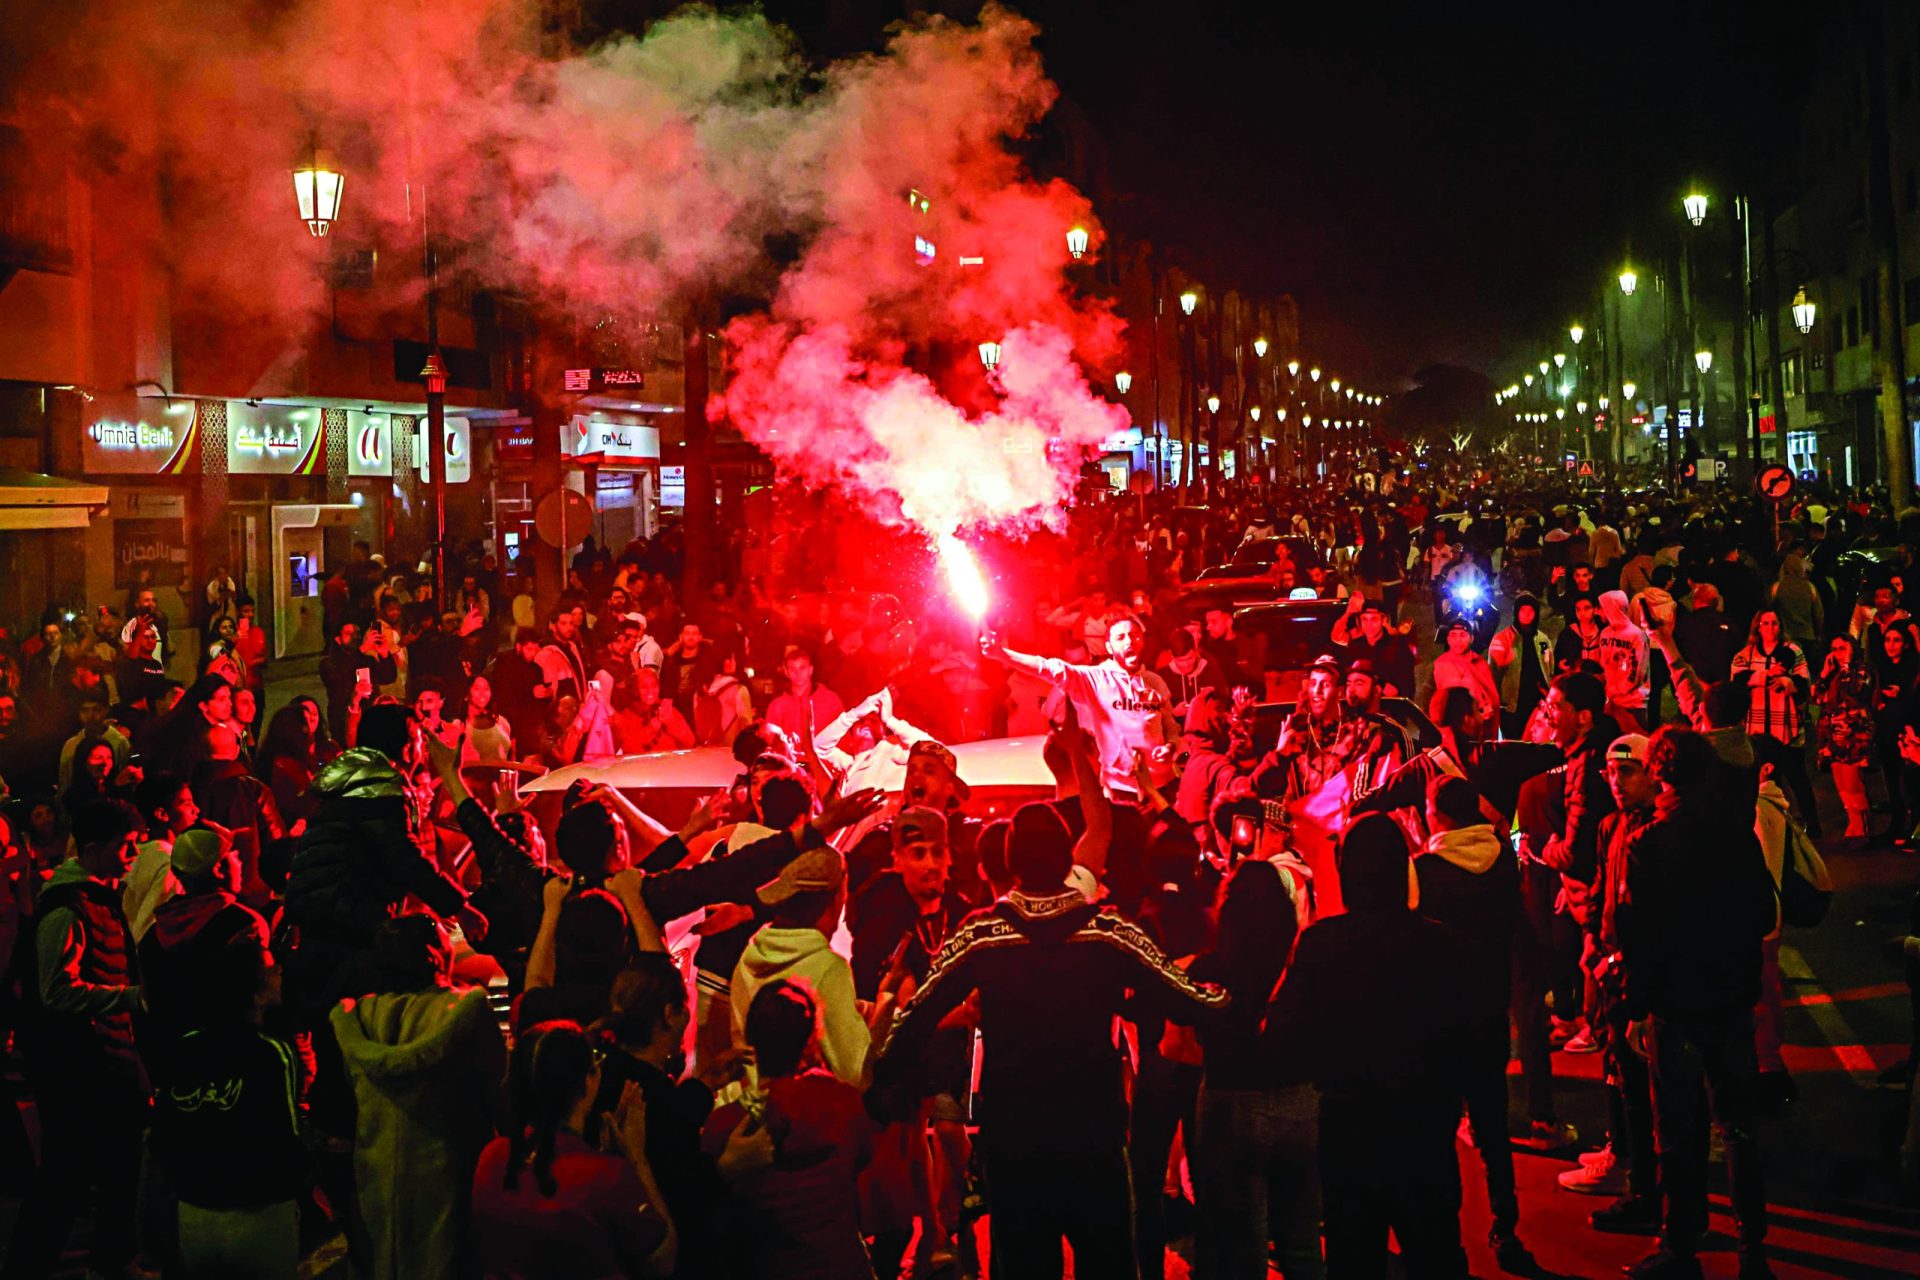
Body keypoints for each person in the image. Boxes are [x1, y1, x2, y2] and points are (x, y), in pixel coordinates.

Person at [873, 785, 1225, 1279]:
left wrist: (879, 1077)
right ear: (1066, 860)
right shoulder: (1108, 933)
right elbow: (1187, 997)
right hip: (1093, 1135)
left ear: (1012, 860)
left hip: (1015, 1139)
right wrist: (1238, 990)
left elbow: (916, 1017)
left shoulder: (982, 935)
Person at [1260, 814, 1472, 1280]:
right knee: (1435, 1252)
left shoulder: (1322, 944)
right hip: (1425, 1129)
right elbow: (1468, 1040)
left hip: (1349, 1128)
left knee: (1355, 1258)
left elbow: (1284, 1038)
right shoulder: (1443, 943)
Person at [1615, 727, 1778, 1280]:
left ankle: (1680, 1245)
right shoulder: (1738, 836)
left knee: (1679, 1131)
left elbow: (1638, 935)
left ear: (1661, 775)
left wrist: (1638, 1006)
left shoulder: (1652, 843)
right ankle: (1753, 1249)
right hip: (1729, 998)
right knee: (1738, 1127)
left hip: (1676, 1004)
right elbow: (1762, 915)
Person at [5, 799, 148, 1280]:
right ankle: (28, 1264)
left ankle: (111, 1262)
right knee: (68, 1173)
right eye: (124, 846)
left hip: (106, 1058)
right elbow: (56, 991)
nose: (132, 854)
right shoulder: (65, 909)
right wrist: (128, 998)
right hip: (77, 1067)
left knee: (118, 1167)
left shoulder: (99, 897)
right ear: (92, 849)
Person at [332, 914, 511, 1280]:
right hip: (452, 1172)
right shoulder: (467, 1012)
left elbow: (342, 1106)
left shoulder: (357, 1018)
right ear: (438, 957)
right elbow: (499, 1093)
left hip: (376, 1171)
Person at [1186, 859, 1319, 1280]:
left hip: (1232, 1104)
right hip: (1301, 1103)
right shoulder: (1305, 969)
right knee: (1301, 1240)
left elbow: (1182, 1047)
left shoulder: (1209, 970)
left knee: (1243, 1246)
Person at [1418, 776, 1529, 1269]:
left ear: (1436, 815)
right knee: (1492, 1131)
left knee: (1438, 1135)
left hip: (1440, 1021)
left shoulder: (1425, 870)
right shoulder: (1504, 861)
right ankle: (1507, 1227)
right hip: (1490, 1014)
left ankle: (1446, 1239)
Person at [471, 1019, 675, 1280]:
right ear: (588, 1081)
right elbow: (664, 1261)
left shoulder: (493, 1157)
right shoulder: (606, 1178)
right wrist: (636, 1156)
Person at [1557, 735, 1662, 1235]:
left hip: (1646, 979)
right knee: (1619, 1073)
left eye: (1629, 772)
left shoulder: (1662, 830)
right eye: (1611, 774)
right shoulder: (1609, 826)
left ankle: (1647, 1190)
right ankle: (1628, 1165)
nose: (1618, 783)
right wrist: (1593, 943)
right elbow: (1602, 891)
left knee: (1650, 1090)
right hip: (1612, 972)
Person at [701, 981, 875, 1280]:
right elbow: (861, 1159)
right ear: (811, 1039)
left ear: (750, 1039)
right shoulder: (843, 1104)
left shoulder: (726, 1126)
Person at [982, 611, 1179, 799]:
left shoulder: (1155, 682)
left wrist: (1171, 747)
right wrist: (1002, 654)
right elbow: (1050, 668)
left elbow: (1171, 729)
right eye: (1120, 638)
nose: (1129, 641)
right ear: (1108, 648)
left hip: (1163, 787)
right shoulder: (1097, 679)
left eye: (1134, 635)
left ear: (1142, 640)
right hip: (1120, 790)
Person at [728, 847, 871, 1087]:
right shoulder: (829, 968)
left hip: (749, 1107)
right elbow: (854, 1070)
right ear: (838, 898)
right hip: (800, 1114)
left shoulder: (747, 958)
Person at [1731, 608, 1818, 837]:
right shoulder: (1745, 654)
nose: (1771, 628)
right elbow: (1737, 682)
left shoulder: (1793, 651)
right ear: (1757, 627)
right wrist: (1767, 675)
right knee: (1766, 779)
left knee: (1797, 777)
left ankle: (1813, 824)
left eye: (1775, 623)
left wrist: (1786, 681)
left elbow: (1804, 681)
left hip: (1785, 725)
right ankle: (1773, 824)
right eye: (1766, 623)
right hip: (1758, 728)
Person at [1815, 632, 1876, 842]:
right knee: (1841, 780)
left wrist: (1847, 667)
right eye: (1834, 649)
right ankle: (1853, 821)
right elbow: (1816, 697)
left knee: (1853, 781)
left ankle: (1863, 826)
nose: (1837, 653)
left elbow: (1858, 690)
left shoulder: (1861, 669)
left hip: (1853, 734)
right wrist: (1824, 674)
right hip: (1833, 735)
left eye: (1842, 648)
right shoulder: (1833, 673)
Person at [1489, 592, 1555, 739]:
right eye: (1522, 610)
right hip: (1512, 703)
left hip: (1537, 700)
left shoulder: (1542, 639)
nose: (1526, 614)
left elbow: (1549, 666)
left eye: (1530, 611)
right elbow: (1493, 673)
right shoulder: (1502, 638)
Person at [1330, 594, 1415, 697]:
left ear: (1383, 621)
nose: (1368, 625)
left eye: (1374, 619)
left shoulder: (1398, 648)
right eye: (1364, 619)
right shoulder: (1355, 647)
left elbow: (1406, 690)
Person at [763, 646, 846, 747]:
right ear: (786, 673)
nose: (798, 673)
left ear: (810, 670)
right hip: (789, 761)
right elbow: (770, 743)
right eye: (792, 669)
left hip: (823, 761)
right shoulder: (777, 706)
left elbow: (843, 738)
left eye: (802, 668)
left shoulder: (831, 700)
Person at [1429, 619, 1501, 725]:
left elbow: (1492, 700)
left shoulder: (1480, 664)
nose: (1457, 640)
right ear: (1448, 640)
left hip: (1474, 728)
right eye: (1453, 636)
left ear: (1471, 638)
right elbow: (1428, 699)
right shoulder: (1439, 664)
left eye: (1462, 635)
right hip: (1446, 728)